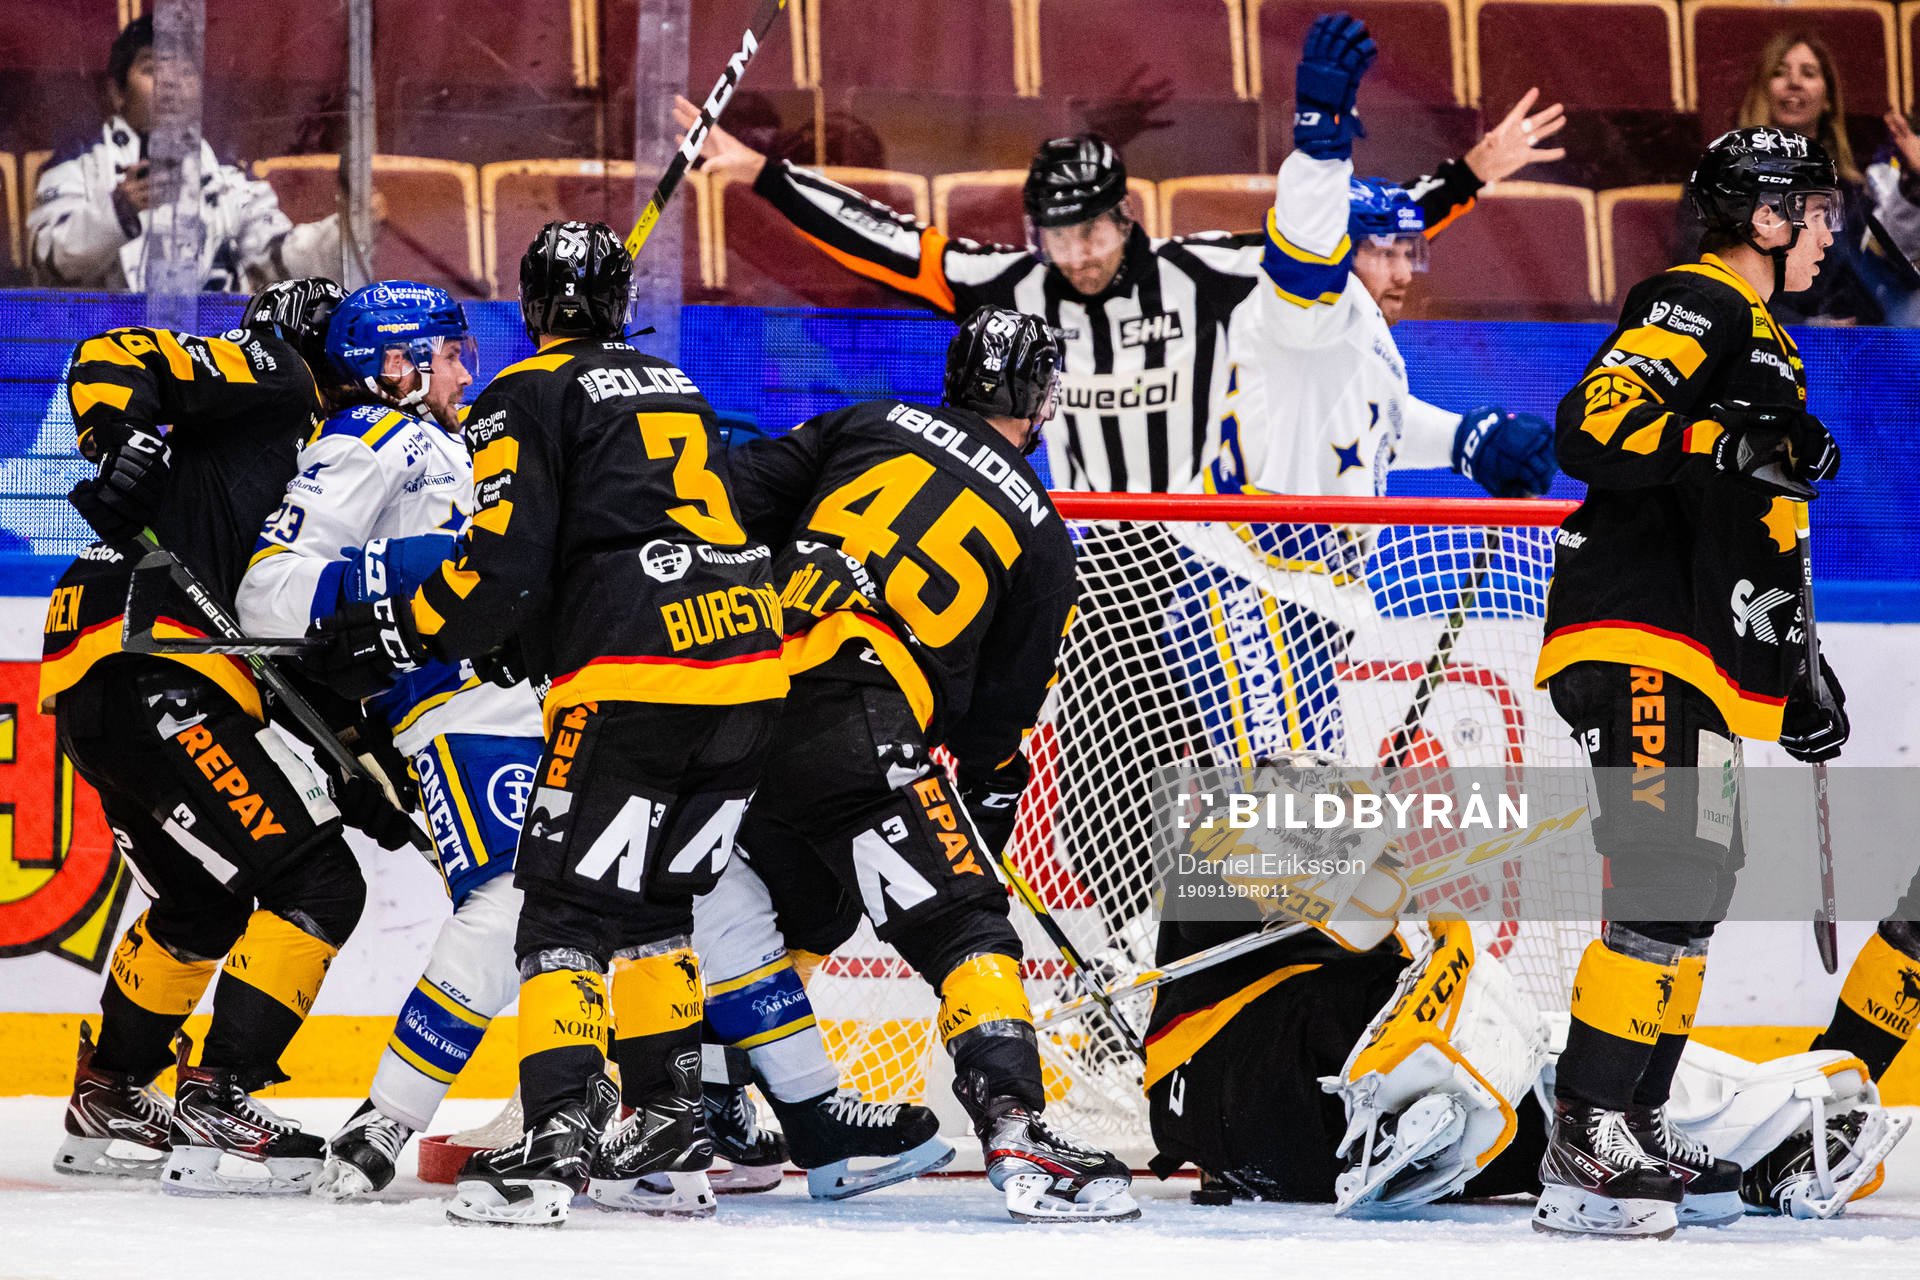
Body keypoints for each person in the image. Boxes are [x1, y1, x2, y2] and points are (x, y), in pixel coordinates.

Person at [680, 91, 1566, 962]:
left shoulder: (1201, 275)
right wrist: (763, 173)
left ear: (1126, 215)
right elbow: (888, 243)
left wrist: (1468, 176)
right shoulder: (1016, 287)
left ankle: (1266, 955)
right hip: (1088, 571)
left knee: (1242, 777)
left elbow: (1331, 246)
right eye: (1056, 237)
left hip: (1200, 562)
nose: (1075, 255)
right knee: (1106, 786)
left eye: (1091, 233)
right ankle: (1134, 953)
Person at [241, 268, 949, 1205]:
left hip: (559, 691)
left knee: (712, 892)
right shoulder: (369, 439)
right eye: (450, 351)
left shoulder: (486, 428)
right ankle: (392, 1118)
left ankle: (805, 1115)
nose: (467, 365)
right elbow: (269, 590)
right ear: (397, 367)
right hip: (461, 712)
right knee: (518, 902)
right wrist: (403, 577)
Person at [307, 220, 791, 1228]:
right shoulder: (677, 385)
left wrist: (405, 627)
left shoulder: (517, 396)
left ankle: (556, 1135)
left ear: (529, 308)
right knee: (658, 907)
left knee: (560, 910)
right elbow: (631, 529)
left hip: (635, 668)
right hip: (750, 665)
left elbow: (506, 566)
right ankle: (668, 1130)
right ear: (619, 308)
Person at [723, 305, 1137, 1224]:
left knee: (801, 911)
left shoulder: (866, 422)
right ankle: (1018, 1124)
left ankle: (709, 1104)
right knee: (965, 927)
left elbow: (724, 495)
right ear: (1040, 399)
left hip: (741, 703)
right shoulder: (1042, 533)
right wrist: (983, 802)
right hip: (857, 723)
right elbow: (997, 725)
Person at [1140, 755, 1907, 1218]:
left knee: (1558, 1113)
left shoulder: (1256, 877)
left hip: (1270, 1144)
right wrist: (1408, 882)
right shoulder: (1231, 832)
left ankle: (1773, 1153)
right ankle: (1783, 1116)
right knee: (1539, 1050)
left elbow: (1366, 909)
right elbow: (1365, 915)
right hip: (1250, 1072)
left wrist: (1400, 878)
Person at [1531, 124, 1848, 1238]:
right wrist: (1724, 438)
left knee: (1697, 883)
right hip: (1640, 638)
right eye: (1812, 209)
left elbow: (1752, 538)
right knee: (1664, 870)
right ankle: (1582, 1134)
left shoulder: (1766, 337)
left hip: (1699, 654)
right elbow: (1593, 424)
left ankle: (1636, 1109)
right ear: (1764, 216)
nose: (1826, 230)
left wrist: (1804, 673)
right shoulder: (1698, 300)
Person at [41, 277, 418, 1195]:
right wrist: (119, 441)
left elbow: (276, 652)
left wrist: (357, 765)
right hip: (153, 666)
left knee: (200, 909)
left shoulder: (299, 457)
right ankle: (219, 1093)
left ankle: (112, 1091)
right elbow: (112, 351)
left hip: (113, 683)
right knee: (320, 882)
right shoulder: (282, 378)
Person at [1164, 13, 1557, 771]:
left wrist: (1467, 444)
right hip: (1248, 584)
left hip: (1308, 604)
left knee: (1297, 829)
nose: (1407, 270)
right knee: (1283, 812)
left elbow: (1370, 427)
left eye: (1414, 252)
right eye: (1387, 251)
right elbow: (1308, 241)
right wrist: (1320, 141)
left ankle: (1222, 890)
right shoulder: (1305, 308)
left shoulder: (1361, 340)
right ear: (1347, 252)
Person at [26, 16, 345, 293]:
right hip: (105, 345)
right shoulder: (80, 162)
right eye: (152, 69)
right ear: (117, 92)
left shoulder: (227, 174)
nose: (171, 83)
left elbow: (277, 262)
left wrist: (343, 232)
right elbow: (46, 259)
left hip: (212, 346)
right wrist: (118, 211)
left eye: (185, 72)